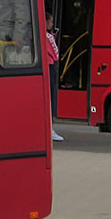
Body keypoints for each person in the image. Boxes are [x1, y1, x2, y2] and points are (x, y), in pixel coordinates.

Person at [45, 11, 62, 141]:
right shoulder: (48, 37)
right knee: (50, 98)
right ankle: (50, 129)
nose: (51, 24)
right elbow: (56, 54)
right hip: (49, 66)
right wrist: (53, 38)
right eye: (50, 21)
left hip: (42, 67)